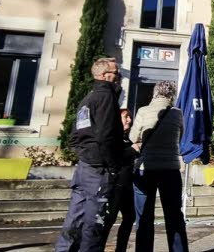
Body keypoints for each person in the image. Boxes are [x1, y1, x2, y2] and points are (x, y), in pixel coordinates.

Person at [57, 57, 124, 252]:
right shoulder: (105, 97)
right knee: (95, 222)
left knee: (75, 216)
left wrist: (84, 154)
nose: (118, 77)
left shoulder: (88, 98)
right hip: (98, 169)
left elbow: (74, 136)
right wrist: (112, 166)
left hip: (85, 167)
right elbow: (105, 135)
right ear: (105, 75)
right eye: (116, 73)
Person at [129, 81, 188, 252]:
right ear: (172, 95)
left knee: (144, 217)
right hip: (170, 169)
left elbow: (133, 138)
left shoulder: (143, 111)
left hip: (145, 169)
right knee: (174, 217)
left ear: (154, 93)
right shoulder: (177, 114)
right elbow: (180, 137)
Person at [100, 109, 137, 251]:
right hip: (115, 185)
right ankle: (98, 247)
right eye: (125, 117)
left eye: (130, 117)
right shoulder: (112, 138)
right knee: (108, 220)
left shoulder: (128, 138)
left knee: (129, 218)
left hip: (128, 185)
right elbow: (114, 158)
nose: (129, 120)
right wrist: (132, 150)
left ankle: (120, 249)